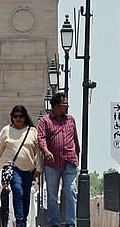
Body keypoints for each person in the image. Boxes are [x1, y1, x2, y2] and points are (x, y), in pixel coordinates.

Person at [0, 105, 41, 227]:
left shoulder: (32, 131)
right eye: (15, 116)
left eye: (20, 116)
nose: (18, 119)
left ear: (25, 117)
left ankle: (23, 220)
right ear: (12, 117)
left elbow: (37, 151)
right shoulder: (6, 130)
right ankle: (20, 222)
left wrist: (39, 167)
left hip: (28, 170)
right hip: (12, 168)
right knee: (17, 190)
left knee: (26, 196)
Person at [37, 92, 80, 227]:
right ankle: (54, 222)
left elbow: (76, 140)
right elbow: (41, 138)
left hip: (69, 161)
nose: (67, 106)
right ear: (56, 106)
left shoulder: (71, 120)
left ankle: (70, 222)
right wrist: (46, 150)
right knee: (52, 195)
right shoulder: (45, 121)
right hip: (52, 163)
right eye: (64, 104)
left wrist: (76, 156)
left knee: (71, 190)